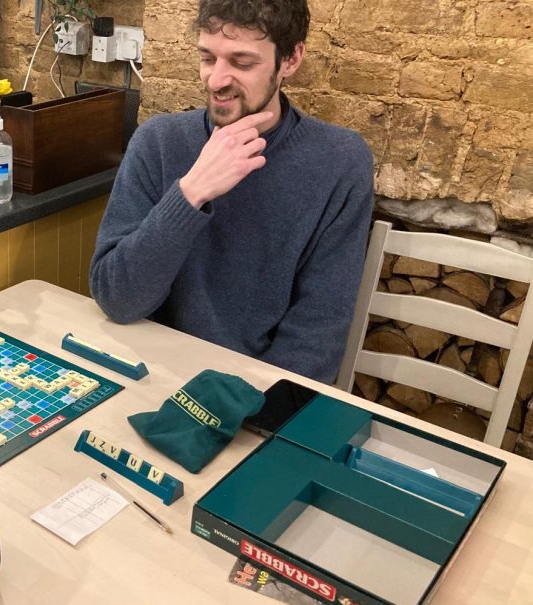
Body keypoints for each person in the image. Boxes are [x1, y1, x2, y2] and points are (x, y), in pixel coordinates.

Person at [90, 0, 373, 384]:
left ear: (290, 60)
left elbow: (317, 335)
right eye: (208, 58)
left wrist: (241, 412)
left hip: (254, 395)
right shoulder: (158, 141)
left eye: (241, 63)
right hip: (148, 375)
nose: (216, 80)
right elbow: (116, 298)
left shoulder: (338, 161)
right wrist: (191, 192)